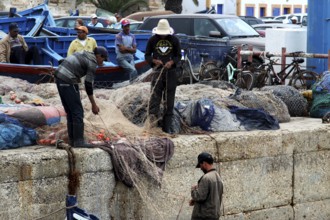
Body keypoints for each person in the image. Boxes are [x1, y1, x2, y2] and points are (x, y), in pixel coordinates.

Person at [54, 46, 108, 148]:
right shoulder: (92, 62)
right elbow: (88, 85)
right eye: (103, 58)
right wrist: (93, 105)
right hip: (68, 79)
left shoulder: (84, 54)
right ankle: (79, 142)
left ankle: (72, 140)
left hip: (59, 78)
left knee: (70, 111)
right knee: (78, 111)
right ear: (98, 56)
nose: (103, 61)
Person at [144, 19, 181, 134]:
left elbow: (179, 55)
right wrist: (154, 61)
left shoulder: (174, 40)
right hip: (157, 73)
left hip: (171, 74)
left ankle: (167, 128)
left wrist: (172, 62)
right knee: (155, 98)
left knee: (169, 101)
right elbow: (147, 55)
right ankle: (153, 126)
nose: (163, 35)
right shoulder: (152, 40)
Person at [190, 152, 223, 220]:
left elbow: (199, 197)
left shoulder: (206, 178)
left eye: (200, 165)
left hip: (204, 216)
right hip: (214, 216)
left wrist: (193, 190)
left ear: (204, 163)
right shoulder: (217, 176)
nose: (201, 168)